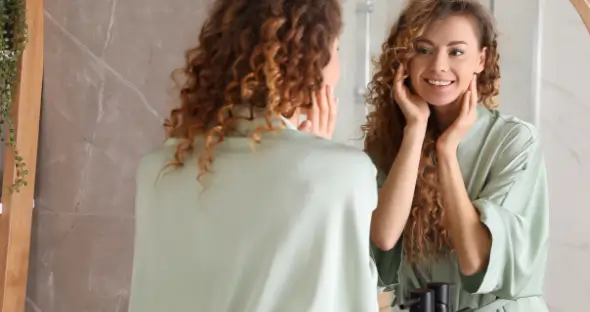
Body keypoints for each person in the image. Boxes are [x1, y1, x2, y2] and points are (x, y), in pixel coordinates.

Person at [128, 0, 381, 311]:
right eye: (337, 50)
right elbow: (353, 296)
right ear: (311, 61)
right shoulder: (342, 175)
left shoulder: (158, 168)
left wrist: (313, 154)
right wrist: (316, 156)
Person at [362, 0, 550, 311]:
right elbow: (384, 238)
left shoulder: (514, 142)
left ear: (481, 59)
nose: (438, 65)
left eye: (456, 51)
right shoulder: (389, 143)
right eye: (423, 49)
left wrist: (446, 152)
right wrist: (415, 131)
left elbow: (475, 259)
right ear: (404, 59)